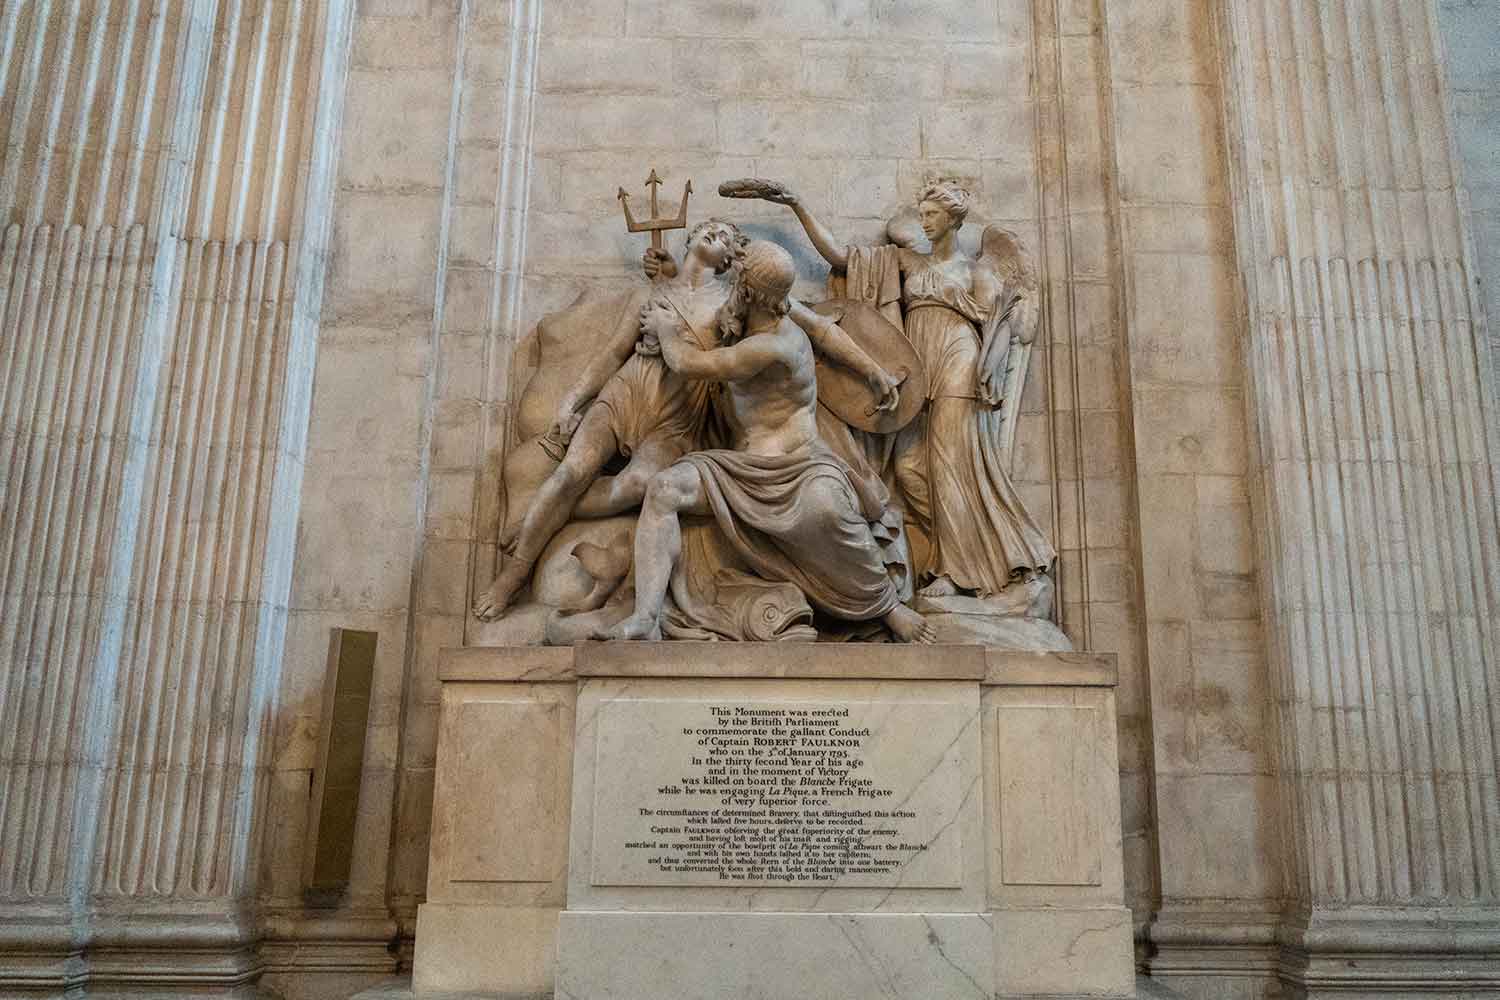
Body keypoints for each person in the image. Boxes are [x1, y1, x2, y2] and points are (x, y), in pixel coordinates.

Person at [473, 221, 902, 622]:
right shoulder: (654, 292)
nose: (713, 233)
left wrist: (872, 370)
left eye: (724, 234)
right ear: (690, 237)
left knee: (636, 486)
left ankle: (547, 516)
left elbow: (821, 331)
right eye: (707, 228)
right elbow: (611, 354)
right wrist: (574, 398)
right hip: (629, 391)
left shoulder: (736, 304)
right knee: (572, 471)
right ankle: (513, 575)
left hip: (678, 416)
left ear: (734, 262)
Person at [600, 240, 936, 644]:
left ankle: (888, 606)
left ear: (746, 291)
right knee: (664, 489)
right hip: (741, 467)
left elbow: (690, 364)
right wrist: (873, 371)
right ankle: (644, 617)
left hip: (796, 468)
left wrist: (666, 329)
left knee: (833, 519)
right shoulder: (776, 306)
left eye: (737, 281)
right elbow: (827, 334)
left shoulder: (771, 346)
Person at [749, 180, 1055, 598]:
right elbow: (840, 256)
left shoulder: (976, 270)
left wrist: (992, 365)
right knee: (911, 469)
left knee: (949, 463)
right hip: (916, 365)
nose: (924, 222)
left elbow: (1000, 321)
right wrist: (797, 204)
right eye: (923, 214)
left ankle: (954, 573)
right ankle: (977, 551)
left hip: (958, 358)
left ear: (953, 220)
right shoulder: (907, 261)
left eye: (932, 215)